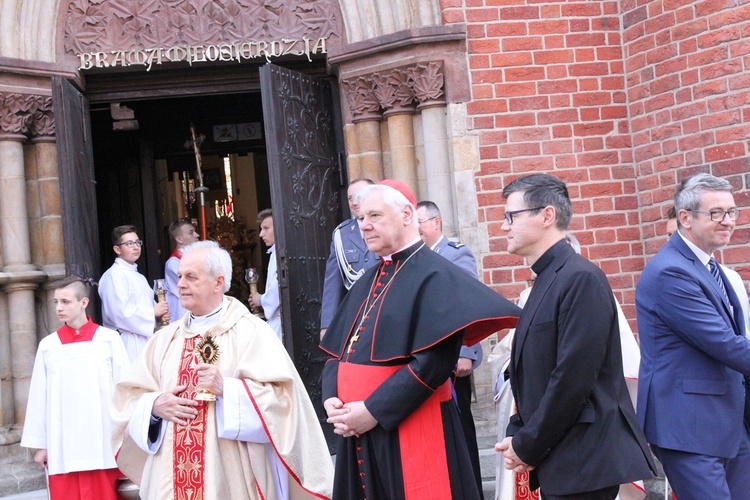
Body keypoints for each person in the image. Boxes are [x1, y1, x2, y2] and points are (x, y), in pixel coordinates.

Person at [320, 184, 521, 499]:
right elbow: (337, 352)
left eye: (374, 215)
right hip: (357, 430)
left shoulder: (437, 275)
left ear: (406, 214)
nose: (364, 225)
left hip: (407, 424)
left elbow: (432, 364)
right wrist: (332, 399)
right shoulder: (366, 282)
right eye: (361, 218)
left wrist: (372, 411)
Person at [111, 240, 333, 499]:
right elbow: (127, 398)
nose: (180, 284)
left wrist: (228, 389)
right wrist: (155, 407)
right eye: (180, 276)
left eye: (191, 277)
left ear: (218, 283)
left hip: (230, 473)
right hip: (170, 474)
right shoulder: (164, 339)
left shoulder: (251, 332)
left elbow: (284, 404)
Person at [496, 174, 655, 499]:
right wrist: (517, 433)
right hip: (564, 456)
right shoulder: (546, 279)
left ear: (546, 215)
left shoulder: (581, 278)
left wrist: (527, 444)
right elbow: (527, 370)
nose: (503, 227)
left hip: (586, 459)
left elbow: (572, 378)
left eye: (510, 216)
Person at [636, 173, 750, 499]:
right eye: (716, 213)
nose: (727, 221)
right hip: (689, 426)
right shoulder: (671, 271)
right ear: (684, 218)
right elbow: (724, 343)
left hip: (728, 420)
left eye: (731, 212)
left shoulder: (711, 267)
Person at [21, 276, 130, 500]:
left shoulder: (108, 340)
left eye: (65, 301)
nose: (59, 308)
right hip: (63, 444)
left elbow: (124, 391)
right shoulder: (49, 346)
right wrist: (41, 445)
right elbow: (39, 397)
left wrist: (126, 436)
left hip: (102, 441)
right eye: (55, 302)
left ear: (83, 303)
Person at [416, 199, 484, 498]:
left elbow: (469, 304)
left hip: (454, 358)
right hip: (428, 359)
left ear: (436, 223)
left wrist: (465, 352)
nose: (415, 229)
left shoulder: (455, 255)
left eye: (419, 222)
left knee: (462, 428)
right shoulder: (416, 258)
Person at [99, 225, 169, 362]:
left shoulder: (138, 276)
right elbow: (119, 313)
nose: (136, 247)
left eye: (138, 242)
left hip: (144, 339)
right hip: (127, 342)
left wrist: (161, 313)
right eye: (129, 243)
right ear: (117, 249)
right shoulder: (113, 276)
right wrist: (152, 312)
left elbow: (149, 305)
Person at [320, 178, 378, 339]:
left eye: (358, 196)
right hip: (357, 317)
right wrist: (327, 325)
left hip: (387, 311)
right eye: (350, 198)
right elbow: (333, 282)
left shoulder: (387, 227)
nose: (353, 202)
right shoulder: (342, 234)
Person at [248, 209, 282, 340]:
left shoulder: (280, 253)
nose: (261, 234)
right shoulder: (274, 253)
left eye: (266, 228)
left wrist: (260, 300)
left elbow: (277, 288)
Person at [164, 218, 200, 323]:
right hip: (182, 314)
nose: (197, 235)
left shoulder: (192, 257)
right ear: (179, 239)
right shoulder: (173, 263)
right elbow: (193, 283)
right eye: (191, 233)